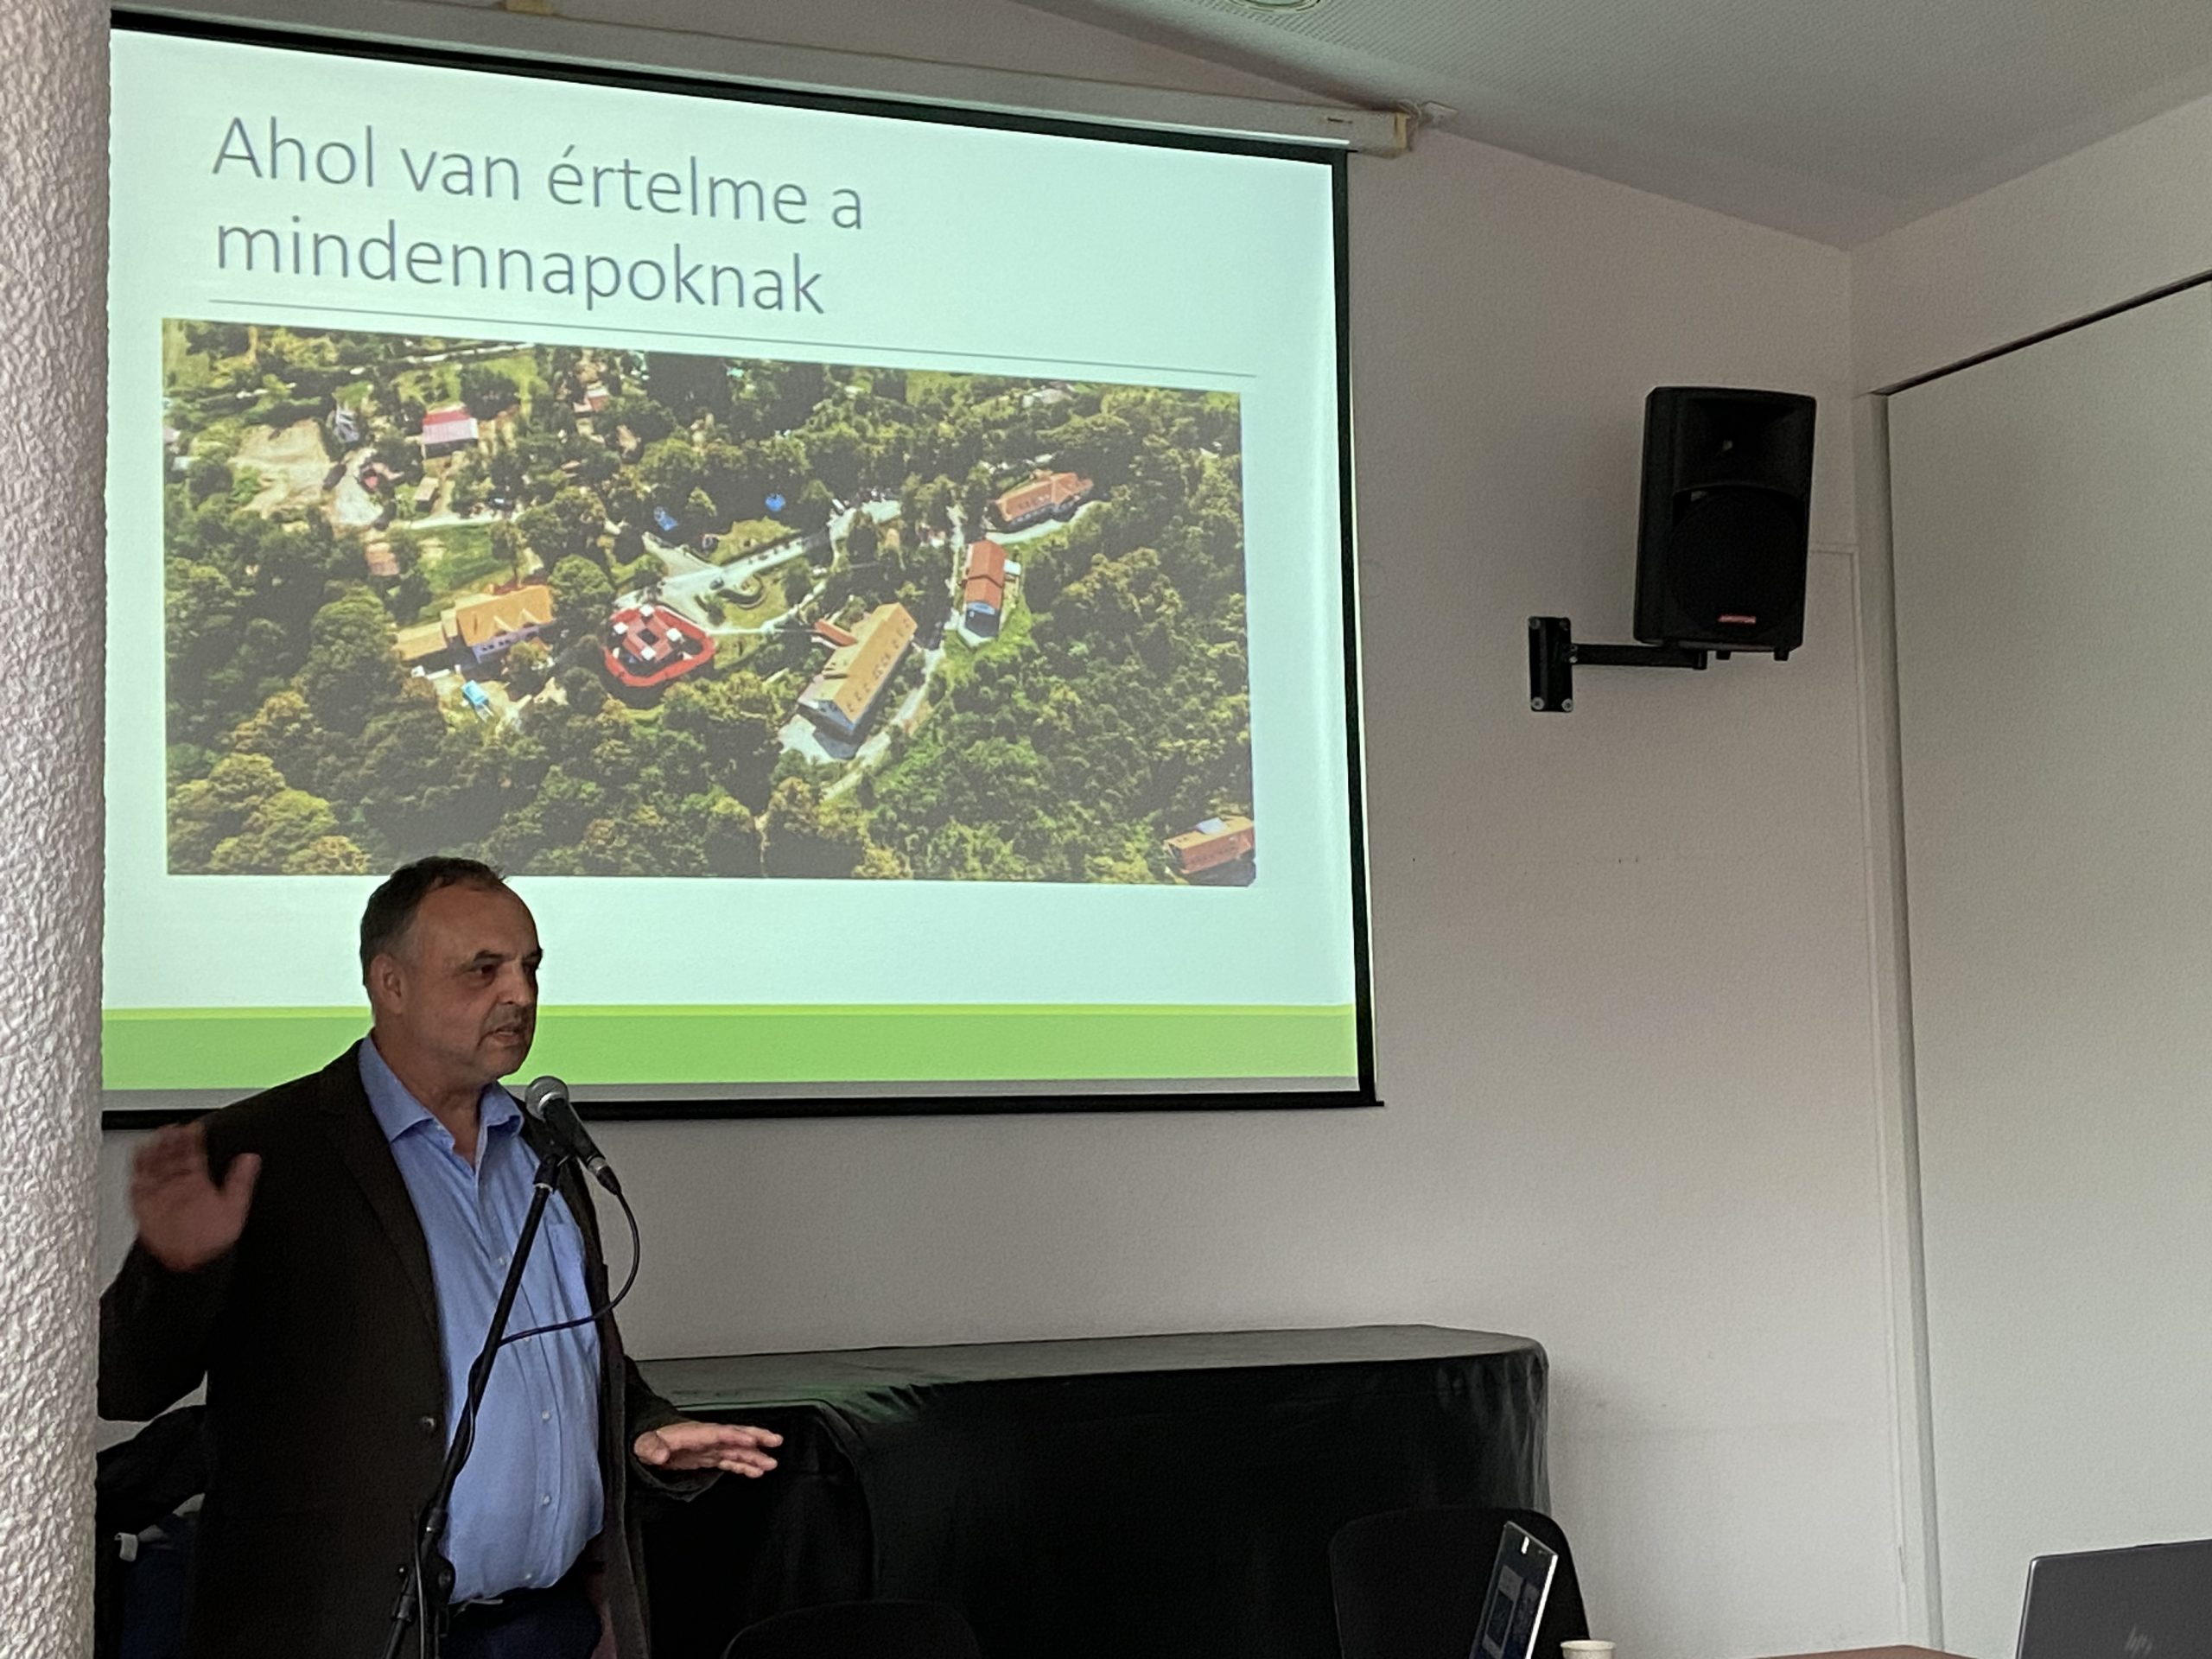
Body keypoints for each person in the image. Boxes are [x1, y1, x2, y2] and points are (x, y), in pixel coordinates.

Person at [100, 857, 780, 1659]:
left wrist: (646, 1432)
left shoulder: (543, 1150)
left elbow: (563, 1362)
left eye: (530, 967)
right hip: (355, 1636)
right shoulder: (265, 1151)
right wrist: (175, 1271)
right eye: (483, 970)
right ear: (390, 983)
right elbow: (123, 1384)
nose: (520, 994)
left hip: (550, 1626)